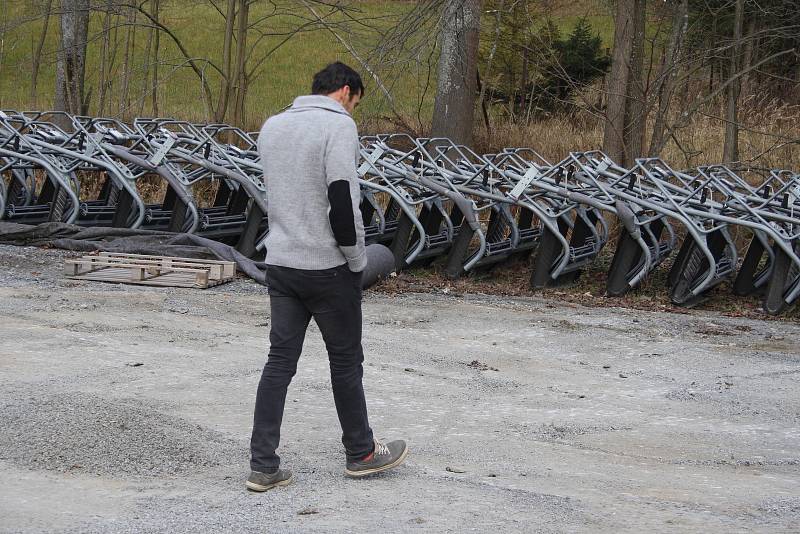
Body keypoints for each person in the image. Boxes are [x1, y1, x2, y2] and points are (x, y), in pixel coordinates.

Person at [246, 62, 408, 492]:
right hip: (327, 266)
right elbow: (341, 196)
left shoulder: (273, 126)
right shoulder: (338, 127)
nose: (353, 110)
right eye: (355, 102)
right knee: (346, 363)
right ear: (345, 92)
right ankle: (362, 453)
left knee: (278, 363)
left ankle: (263, 465)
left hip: (280, 262)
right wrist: (356, 258)